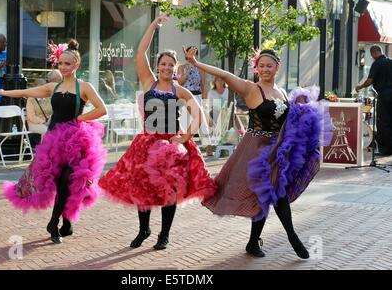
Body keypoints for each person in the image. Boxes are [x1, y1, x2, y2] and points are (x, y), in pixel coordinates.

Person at [186, 48, 332, 259]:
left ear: (277, 68)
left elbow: (288, 120)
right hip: (256, 149)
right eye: (261, 65)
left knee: (267, 194)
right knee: (274, 192)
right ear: (257, 67)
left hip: (278, 149)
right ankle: (292, 237)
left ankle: (253, 242)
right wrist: (196, 63)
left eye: (269, 66)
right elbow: (226, 76)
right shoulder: (250, 89)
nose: (264, 69)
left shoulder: (281, 92)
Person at [98, 16, 216, 250]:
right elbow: (140, 54)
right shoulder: (148, 82)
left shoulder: (179, 90)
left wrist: (186, 137)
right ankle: (144, 230)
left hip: (172, 145)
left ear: (175, 69)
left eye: (170, 65)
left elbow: (198, 115)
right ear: (158, 66)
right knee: (142, 187)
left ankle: (164, 235)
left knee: (170, 190)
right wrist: (153, 26)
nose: (166, 68)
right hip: (147, 143)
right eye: (163, 64)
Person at [0, 39, 107, 244]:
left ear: (76, 65)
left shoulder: (84, 87)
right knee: (55, 181)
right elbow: (26, 92)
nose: (63, 67)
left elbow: (101, 109)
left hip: (76, 141)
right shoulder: (54, 86)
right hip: (54, 141)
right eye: (60, 63)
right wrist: (1, 92)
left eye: (67, 64)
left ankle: (56, 222)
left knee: (69, 180)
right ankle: (63, 223)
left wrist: (79, 119)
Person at [355, 45, 392, 156]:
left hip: (384, 96)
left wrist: (360, 87)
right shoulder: (390, 61)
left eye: (372, 55)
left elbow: (370, 80)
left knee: (382, 122)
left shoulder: (377, 63)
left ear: (374, 53)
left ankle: (385, 149)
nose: (372, 57)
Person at [177, 46, 212, 148]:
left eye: (194, 53)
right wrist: (189, 69)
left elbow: (203, 85)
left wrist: (205, 101)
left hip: (197, 96)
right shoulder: (181, 67)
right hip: (184, 96)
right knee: (184, 121)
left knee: (201, 120)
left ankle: (207, 144)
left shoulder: (201, 68)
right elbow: (179, 82)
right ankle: (184, 145)